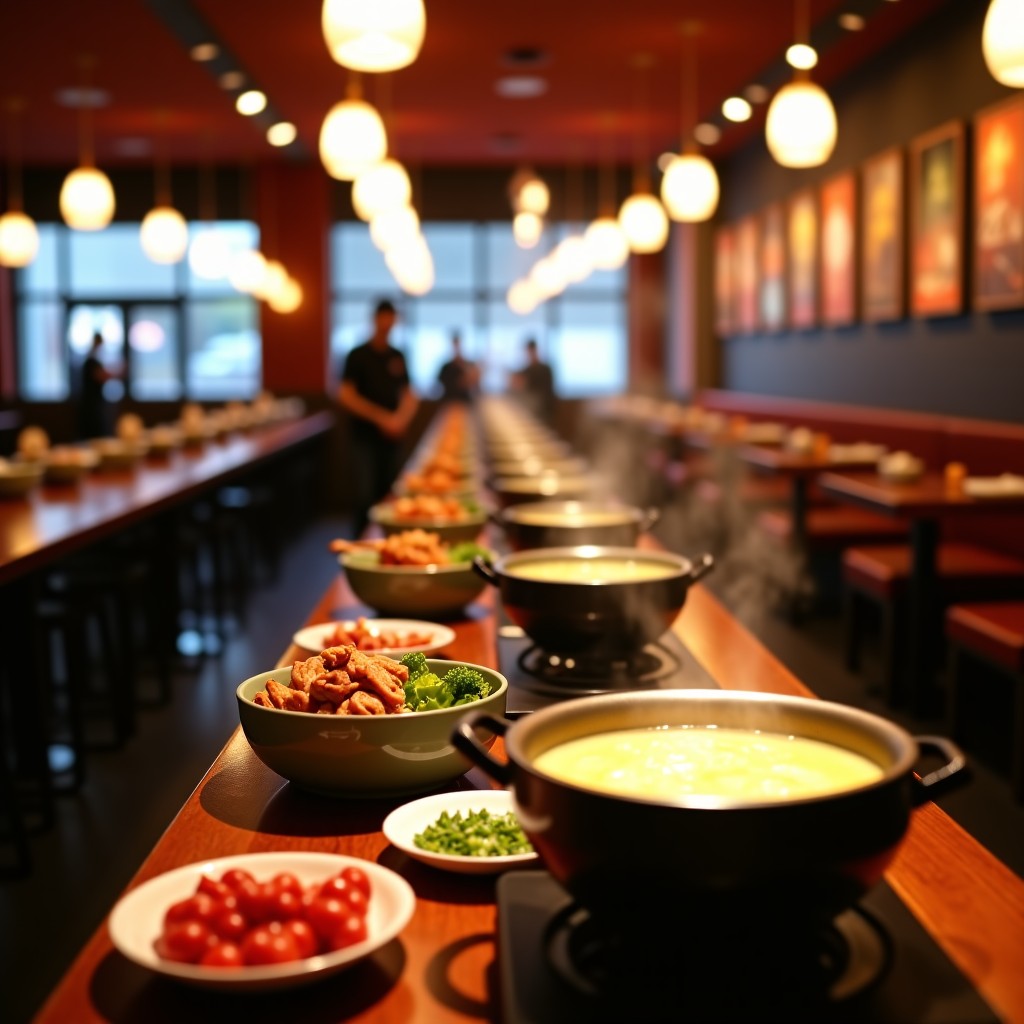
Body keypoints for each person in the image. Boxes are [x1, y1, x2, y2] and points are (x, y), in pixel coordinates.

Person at [337, 298, 419, 538]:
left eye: (391, 318)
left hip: (392, 437)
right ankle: (359, 545)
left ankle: (390, 542)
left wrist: (400, 420)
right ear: (375, 319)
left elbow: (409, 394)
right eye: (384, 317)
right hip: (364, 436)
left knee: (390, 492)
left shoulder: (398, 355)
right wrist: (382, 418)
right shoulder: (357, 355)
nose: (388, 323)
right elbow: (346, 395)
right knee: (364, 495)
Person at [78, 331, 119, 439]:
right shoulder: (90, 360)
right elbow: (99, 376)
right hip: (90, 404)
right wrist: (117, 373)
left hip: (96, 402)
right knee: (93, 434)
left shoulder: (94, 359)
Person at [510, 337, 556, 426]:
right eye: (528, 351)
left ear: (536, 350)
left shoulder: (545, 369)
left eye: (531, 351)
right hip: (529, 410)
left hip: (542, 410)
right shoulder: (527, 369)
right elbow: (517, 380)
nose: (529, 354)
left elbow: (546, 393)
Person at [436, 330, 480, 403]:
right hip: (449, 402)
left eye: (458, 345)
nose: (457, 348)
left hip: (465, 402)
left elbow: (476, 386)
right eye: (455, 345)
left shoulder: (470, 365)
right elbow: (441, 385)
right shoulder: (445, 367)